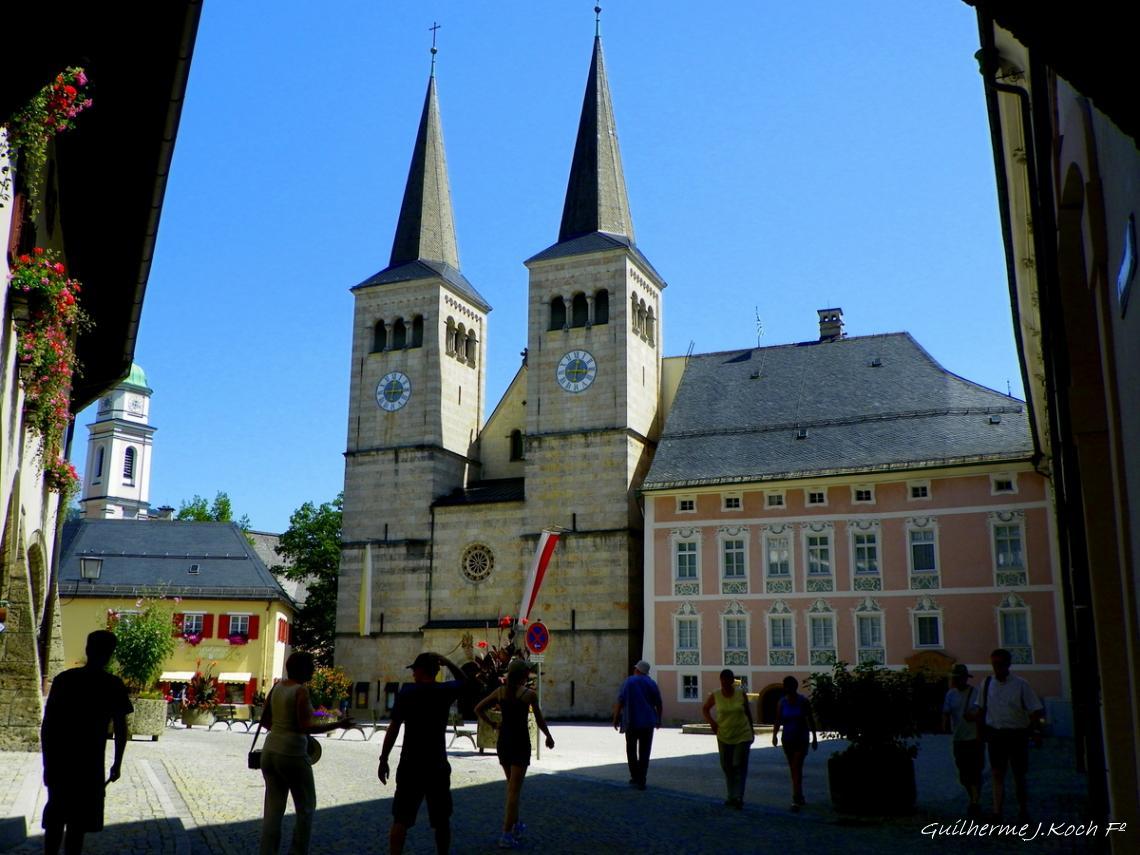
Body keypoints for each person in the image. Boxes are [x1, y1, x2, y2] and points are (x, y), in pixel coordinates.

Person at [41, 630, 132, 855]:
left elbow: (47, 726)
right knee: (77, 825)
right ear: (110, 654)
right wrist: (117, 764)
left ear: (87, 650)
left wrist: (47, 763)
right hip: (89, 765)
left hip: (61, 761)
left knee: (56, 818)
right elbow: (121, 729)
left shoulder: (64, 680)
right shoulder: (112, 685)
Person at [258, 651, 356, 855]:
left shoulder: (277, 687)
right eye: (311, 666)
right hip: (292, 753)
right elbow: (306, 726)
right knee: (306, 807)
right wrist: (339, 723)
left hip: (270, 750)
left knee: (273, 810)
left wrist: (280, 730)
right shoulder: (300, 691)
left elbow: (265, 720)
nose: (314, 669)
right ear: (302, 669)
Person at [380, 652, 470, 854]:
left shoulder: (408, 692)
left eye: (414, 669)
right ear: (436, 670)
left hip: (410, 763)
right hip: (437, 764)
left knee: (401, 819)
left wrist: (383, 758)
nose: (412, 674)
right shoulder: (444, 692)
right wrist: (447, 662)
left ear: (420, 670)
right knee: (441, 821)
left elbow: (394, 727)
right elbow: (465, 681)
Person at [475, 659, 555, 849]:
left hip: (504, 743)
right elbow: (539, 719)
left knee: (512, 788)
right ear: (524, 675)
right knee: (514, 791)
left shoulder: (500, 692)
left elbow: (478, 708)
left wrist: (493, 724)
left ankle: (516, 825)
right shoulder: (529, 695)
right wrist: (549, 736)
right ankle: (506, 834)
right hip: (520, 744)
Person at [971, 648, 1044, 821]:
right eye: (994, 664)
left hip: (1017, 735)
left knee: (1019, 774)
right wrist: (979, 733)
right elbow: (981, 709)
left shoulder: (1021, 684)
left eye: (1000, 664)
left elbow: (1035, 710)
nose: (997, 667)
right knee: (997, 773)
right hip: (996, 735)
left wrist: (1035, 731)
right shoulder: (987, 684)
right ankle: (997, 811)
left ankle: (1023, 809)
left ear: (1008, 664)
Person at [701, 669, 755, 809]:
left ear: (732, 681)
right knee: (727, 766)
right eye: (723, 680)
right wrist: (712, 723)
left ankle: (738, 797)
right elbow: (705, 709)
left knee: (739, 765)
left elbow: (748, 713)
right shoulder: (716, 694)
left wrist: (752, 731)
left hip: (742, 734)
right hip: (724, 734)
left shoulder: (740, 694)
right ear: (720, 680)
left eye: (728, 680)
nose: (725, 683)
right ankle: (731, 795)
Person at [611, 659, 662, 791]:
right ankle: (642, 779)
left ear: (637, 670)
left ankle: (634, 776)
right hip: (647, 722)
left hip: (631, 721)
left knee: (631, 750)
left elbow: (620, 701)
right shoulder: (651, 683)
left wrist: (616, 718)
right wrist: (659, 719)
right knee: (645, 752)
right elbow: (659, 703)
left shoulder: (628, 682)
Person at [942, 663, 983, 817]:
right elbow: (946, 712)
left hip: (974, 738)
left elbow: (982, 712)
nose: (956, 681)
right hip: (958, 738)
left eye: (958, 678)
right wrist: (944, 725)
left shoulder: (976, 693)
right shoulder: (950, 694)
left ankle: (975, 801)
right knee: (963, 772)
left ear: (965, 679)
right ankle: (972, 796)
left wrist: (974, 717)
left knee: (975, 770)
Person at [771, 675, 818, 811]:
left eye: (790, 686)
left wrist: (814, 738)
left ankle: (796, 797)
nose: (788, 688)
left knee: (796, 766)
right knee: (794, 768)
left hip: (801, 738)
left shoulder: (803, 701)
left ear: (795, 687)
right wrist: (774, 735)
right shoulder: (782, 702)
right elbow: (778, 719)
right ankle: (799, 793)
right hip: (787, 739)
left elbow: (810, 719)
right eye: (786, 686)